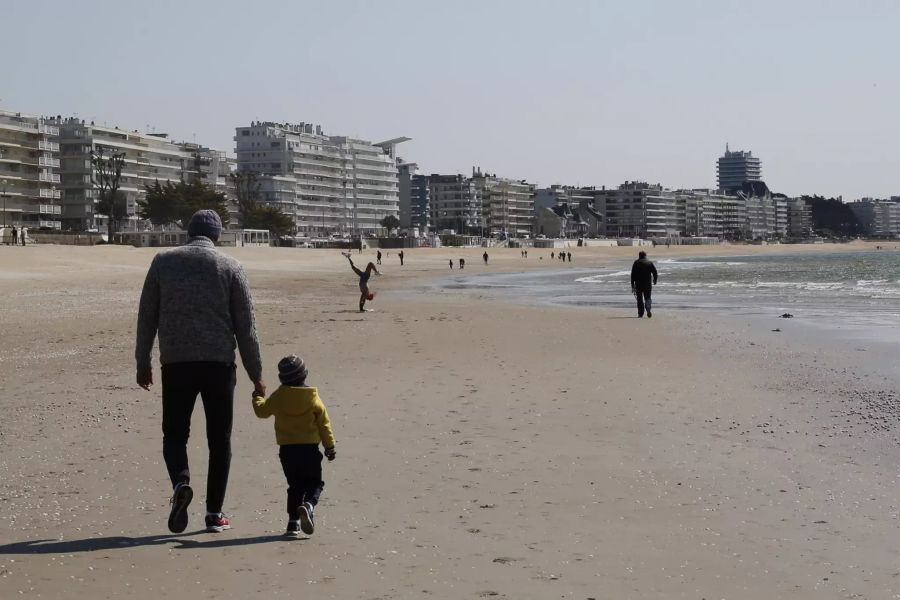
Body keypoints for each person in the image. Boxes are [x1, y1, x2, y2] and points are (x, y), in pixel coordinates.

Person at [135, 209, 265, 534]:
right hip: (218, 365)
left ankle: (181, 482)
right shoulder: (231, 266)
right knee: (219, 441)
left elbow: (146, 316)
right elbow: (246, 327)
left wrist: (143, 361)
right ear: (217, 235)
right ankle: (214, 514)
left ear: (188, 231)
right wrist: (256, 374)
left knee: (175, 435)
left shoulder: (163, 262)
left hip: (176, 363)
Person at [253, 355, 336, 537]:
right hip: (310, 449)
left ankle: (293, 524)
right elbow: (324, 424)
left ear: (282, 378)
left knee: (295, 485)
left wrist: (257, 396)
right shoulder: (312, 398)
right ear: (304, 375)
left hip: (288, 450)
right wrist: (329, 447)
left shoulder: (279, 397)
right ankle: (309, 505)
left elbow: (262, 411)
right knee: (315, 483)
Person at [630, 250, 658, 318]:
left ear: (639, 256)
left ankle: (640, 313)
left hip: (638, 284)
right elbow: (655, 272)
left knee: (639, 299)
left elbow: (632, 275)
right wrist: (655, 280)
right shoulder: (649, 262)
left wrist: (632, 285)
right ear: (645, 255)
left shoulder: (636, 263)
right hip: (647, 284)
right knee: (647, 298)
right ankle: (648, 309)